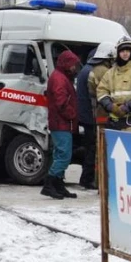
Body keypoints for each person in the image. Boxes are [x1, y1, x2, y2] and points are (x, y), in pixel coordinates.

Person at [42, 50, 81, 200]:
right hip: (61, 123)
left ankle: (58, 185)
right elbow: (61, 102)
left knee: (60, 154)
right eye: (72, 64)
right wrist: (72, 114)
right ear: (66, 64)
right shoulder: (60, 78)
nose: (74, 68)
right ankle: (50, 184)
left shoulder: (61, 76)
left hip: (60, 123)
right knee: (64, 155)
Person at [75, 42, 115, 190]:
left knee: (90, 148)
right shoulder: (100, 70)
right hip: (94, 116)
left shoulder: (86, 69)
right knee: (94, 149)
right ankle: (88, 179)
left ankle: (87, 178)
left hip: (86, 115)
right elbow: (102, 95)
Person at [97, 36, 131, 133]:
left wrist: (127, 107)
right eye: (122, 51)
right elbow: (101, 91)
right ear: (118, 53)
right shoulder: (110, 73)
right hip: (115, 124)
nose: (125, 53)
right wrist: (110, 106)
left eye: (128, 50)